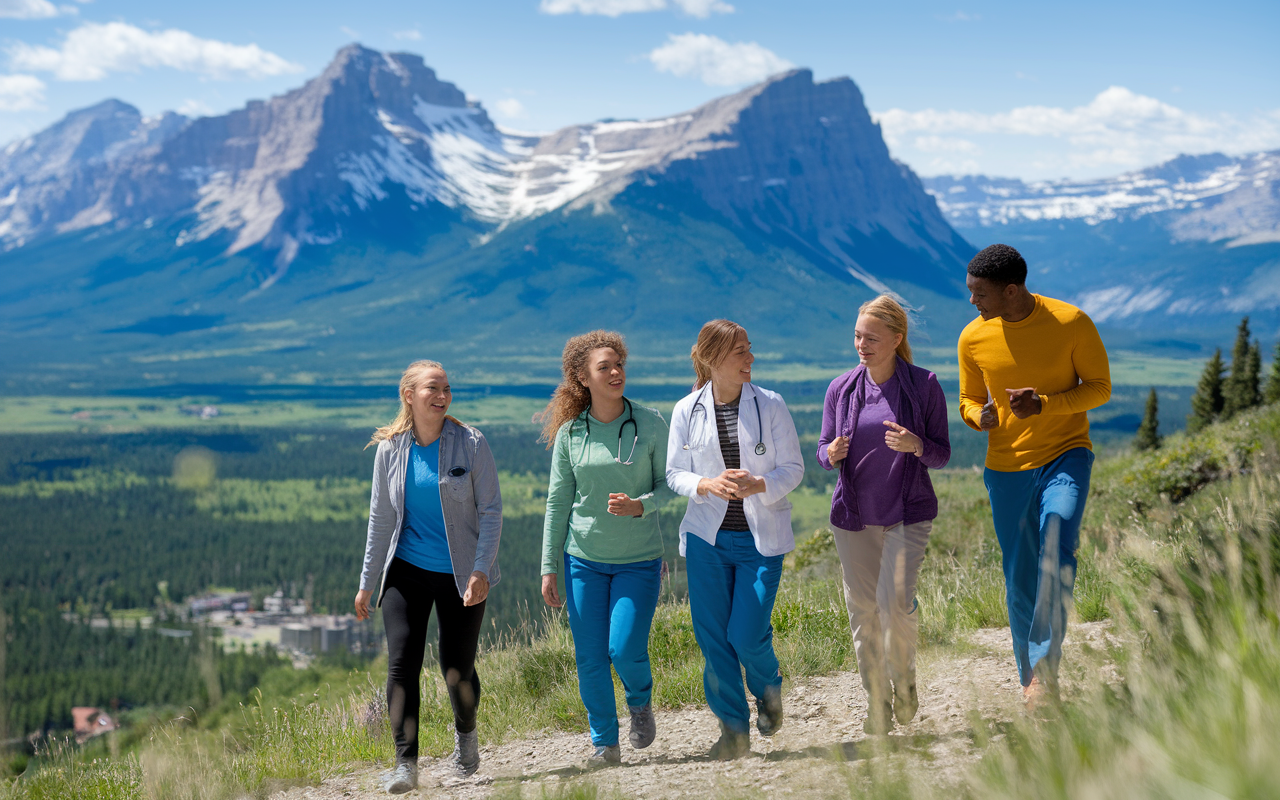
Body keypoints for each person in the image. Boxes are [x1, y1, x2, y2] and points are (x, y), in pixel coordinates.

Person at [957, 244, 1111, 710]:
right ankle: (1033, 681)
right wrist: (975, 417)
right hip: (1005, 470)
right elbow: (966, 398)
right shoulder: (972, 338)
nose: (972, 302)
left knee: (1057, 536)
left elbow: (1099, 387)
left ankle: (1044, 671)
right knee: (1020, 572)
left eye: (979, 293)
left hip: (1066, 455)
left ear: (1011, 290)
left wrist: (1045, 403)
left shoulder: (1071, 322)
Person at [355, 360, 503, 794]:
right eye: (432, 388)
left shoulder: (472, 443)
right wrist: (368, 582)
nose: (441, 395)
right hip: (406, 571)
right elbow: (380, 519)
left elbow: (491, 511)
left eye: (446, 388)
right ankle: (406, 765)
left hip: (462, 573)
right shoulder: (391, 450)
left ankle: (467, 738)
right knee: (401, 665)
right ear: (409, 396)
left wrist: (480, 569)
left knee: (456, 669)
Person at [665, 319, 805, 759]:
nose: (750, 358)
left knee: (746, 634)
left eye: (749, 349)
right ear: (713, 358)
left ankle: (769, 691)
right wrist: (706, 484)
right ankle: (733, 732)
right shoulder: (687, 409)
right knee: (713, 639)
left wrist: (759, 485)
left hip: (759, 540)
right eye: (740, 351)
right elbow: (674, 473)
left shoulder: (772, 405)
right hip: (707, 540)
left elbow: (794, 469)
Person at [539, 331, 676, 767]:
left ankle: (639, 703)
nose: (616, 373)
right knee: (591, 657)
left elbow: (672, 485)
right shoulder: (571, 435)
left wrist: (642, 506)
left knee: (623, 648)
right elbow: (558, 502)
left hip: (638, 560)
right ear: (582, 377)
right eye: (605, 367)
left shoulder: (651, 423)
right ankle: (604, 742)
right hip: (583, 561)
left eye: (619, 365)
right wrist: (549, 566)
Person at [815, 295, 951, 733]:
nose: (861, 344)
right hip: (853, 517)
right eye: (857, 336)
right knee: (863, 611)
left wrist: (917, 445)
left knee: (894, 605)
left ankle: (904, 682)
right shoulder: (841, 388)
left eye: (871, 338)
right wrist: (830, 452)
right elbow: (822, 450)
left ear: (897, 339)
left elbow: (942, 454)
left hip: (907, 514)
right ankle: (877, 701)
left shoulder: (924, 385)